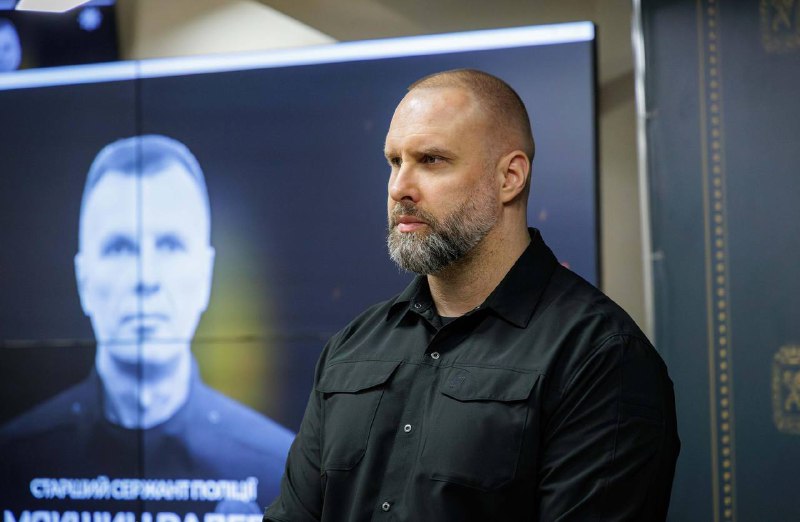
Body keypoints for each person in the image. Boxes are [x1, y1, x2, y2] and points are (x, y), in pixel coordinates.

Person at [264, 69, 680, 521]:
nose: (399, 187)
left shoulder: (601, 357)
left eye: (431, 160)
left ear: (510, 177)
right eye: (394, 161)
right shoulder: (352, 348)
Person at [0, 135, 294, 515]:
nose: (146, 277)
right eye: (120, 248)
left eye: (170, 245)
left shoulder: (280, 471)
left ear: (205, 274)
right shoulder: (11, 463)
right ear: (83, 279)